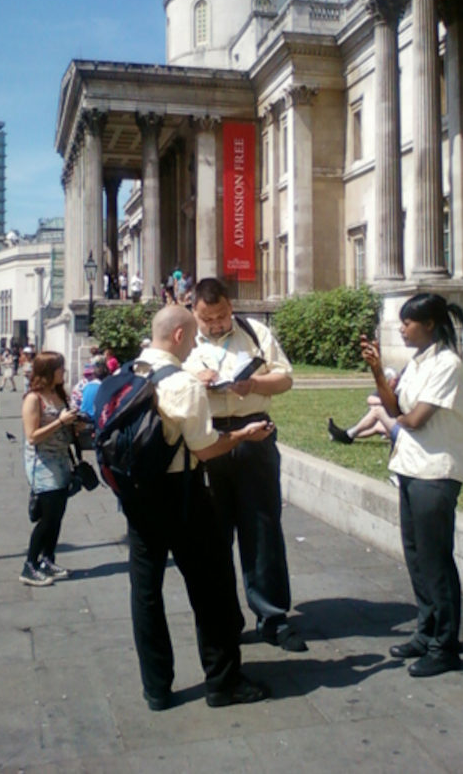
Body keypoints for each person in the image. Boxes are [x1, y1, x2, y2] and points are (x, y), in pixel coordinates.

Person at [128, 305, 272, 709]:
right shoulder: (182, 384)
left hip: (137, 495)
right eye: (192, 339)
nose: (194, 346)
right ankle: (223, 681)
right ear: (177, 336)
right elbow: (206, 448)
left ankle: (156, 688)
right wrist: (243, 434)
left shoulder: (129, 371)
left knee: (145, 592)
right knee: (213, 587)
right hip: (181, 492)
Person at [184, 278, 306, 652]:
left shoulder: (255, 332)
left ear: (230, 307)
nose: (217, 324)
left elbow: (284, 379)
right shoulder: (184, 339)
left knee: (263, 526)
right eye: (208, 319)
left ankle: (271, 615)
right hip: (208, 438)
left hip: (254, 433)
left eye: (221, 316)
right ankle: (224, 618)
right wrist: (195, 381)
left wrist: (253, 384)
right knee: (213, 533)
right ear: (194, 313)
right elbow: (163, 379)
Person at [361, 293, 463, 678]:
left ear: (430, 325)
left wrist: (399, 418)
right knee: (416, 556)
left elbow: (416, 418)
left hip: (435, 473)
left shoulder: (448, 363)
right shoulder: (416, 363)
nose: (402, 328)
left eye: (408, 322)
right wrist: (377, 370)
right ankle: (426, 632)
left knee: (436, 560)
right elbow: (392, 408)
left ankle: (445, 644)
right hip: (409, 469)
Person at [20, 351, 78, 586]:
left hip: (62, 460)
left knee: (57, 517)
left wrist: (75, 422)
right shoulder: (34, 399)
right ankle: (29, 565)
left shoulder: (57, 393)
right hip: (43, 463)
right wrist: (61, 422)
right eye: (60, 368)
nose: (63, 372)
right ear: (48, 371)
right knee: (47, 518)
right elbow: (32, 436)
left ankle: (48, 559)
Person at [328, 367, 401, 443]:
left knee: (377, 417)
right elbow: (370, 399)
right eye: (395, 380)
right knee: (376, 421)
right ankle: (344, 435)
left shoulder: (400, 392)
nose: (398, 382)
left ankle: (346, 435)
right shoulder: (385, 390)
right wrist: (384, 401)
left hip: (402, 428)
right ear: (387, 381)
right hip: (395, 424)